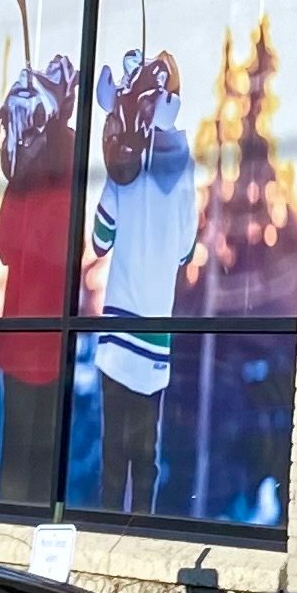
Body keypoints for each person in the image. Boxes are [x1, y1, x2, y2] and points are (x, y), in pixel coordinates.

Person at [79, 49, 194, 512]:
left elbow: (99, 239)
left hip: (118, 327)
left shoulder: (123, 175)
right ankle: (142, 533)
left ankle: (108, 535)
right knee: (147, 458)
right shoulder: (183, 176)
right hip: (155, 335)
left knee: (114, 457)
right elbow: (187, 250)